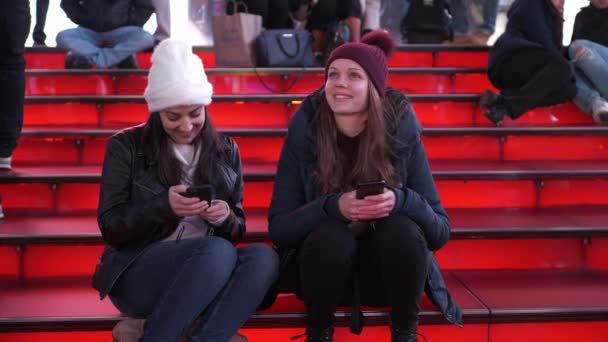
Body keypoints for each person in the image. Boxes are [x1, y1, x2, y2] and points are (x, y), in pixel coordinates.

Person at [268, 30, 462, 342]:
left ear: (374, 88)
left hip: (388, 276)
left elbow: (439, 231)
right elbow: (280, 228)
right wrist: (334, 207)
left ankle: (405, 335)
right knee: (331, 233)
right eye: (333, 75)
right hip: (321, 275)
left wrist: (398, 201)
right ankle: (318, 335)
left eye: (354, 75)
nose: (339, 83)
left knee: (401, 228)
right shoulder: (304, 131)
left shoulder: (401, 132)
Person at [91, 39, 279, 342]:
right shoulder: (126, 146)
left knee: (263, 258)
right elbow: (111, 227)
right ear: (157, 113)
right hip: (139, 273)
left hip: (207, 272)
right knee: (216, 251)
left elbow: (236, 230)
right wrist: (163, 207)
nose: (187, 125)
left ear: (205, 106)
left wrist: (225, 218)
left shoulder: (226, 149)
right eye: (173, 117)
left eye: (195, 113)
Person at [479, 0, 577, 125]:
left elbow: (555, 51)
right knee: (564, 68)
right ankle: (505, 104)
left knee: (569, 90)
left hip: (532, 67)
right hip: (509, 60)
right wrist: (568, 69)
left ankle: (502, 103)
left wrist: (558, 18)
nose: (563, 1)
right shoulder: (530, 3)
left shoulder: (551, 13)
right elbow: (544, 41)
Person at [56, 0, 156, 69]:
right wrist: (84, 20)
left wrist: (130, 22)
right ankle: (114, 58)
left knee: (146, 38)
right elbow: (67, 4)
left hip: (121, 31)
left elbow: (145, 6)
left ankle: (96, 58)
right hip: (89, 31)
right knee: (62, 37)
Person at [568, 0, 608, 124]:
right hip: (592, 73)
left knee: (577, 46)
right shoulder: (582, 17)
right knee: (566, 68)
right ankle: (597, 104)